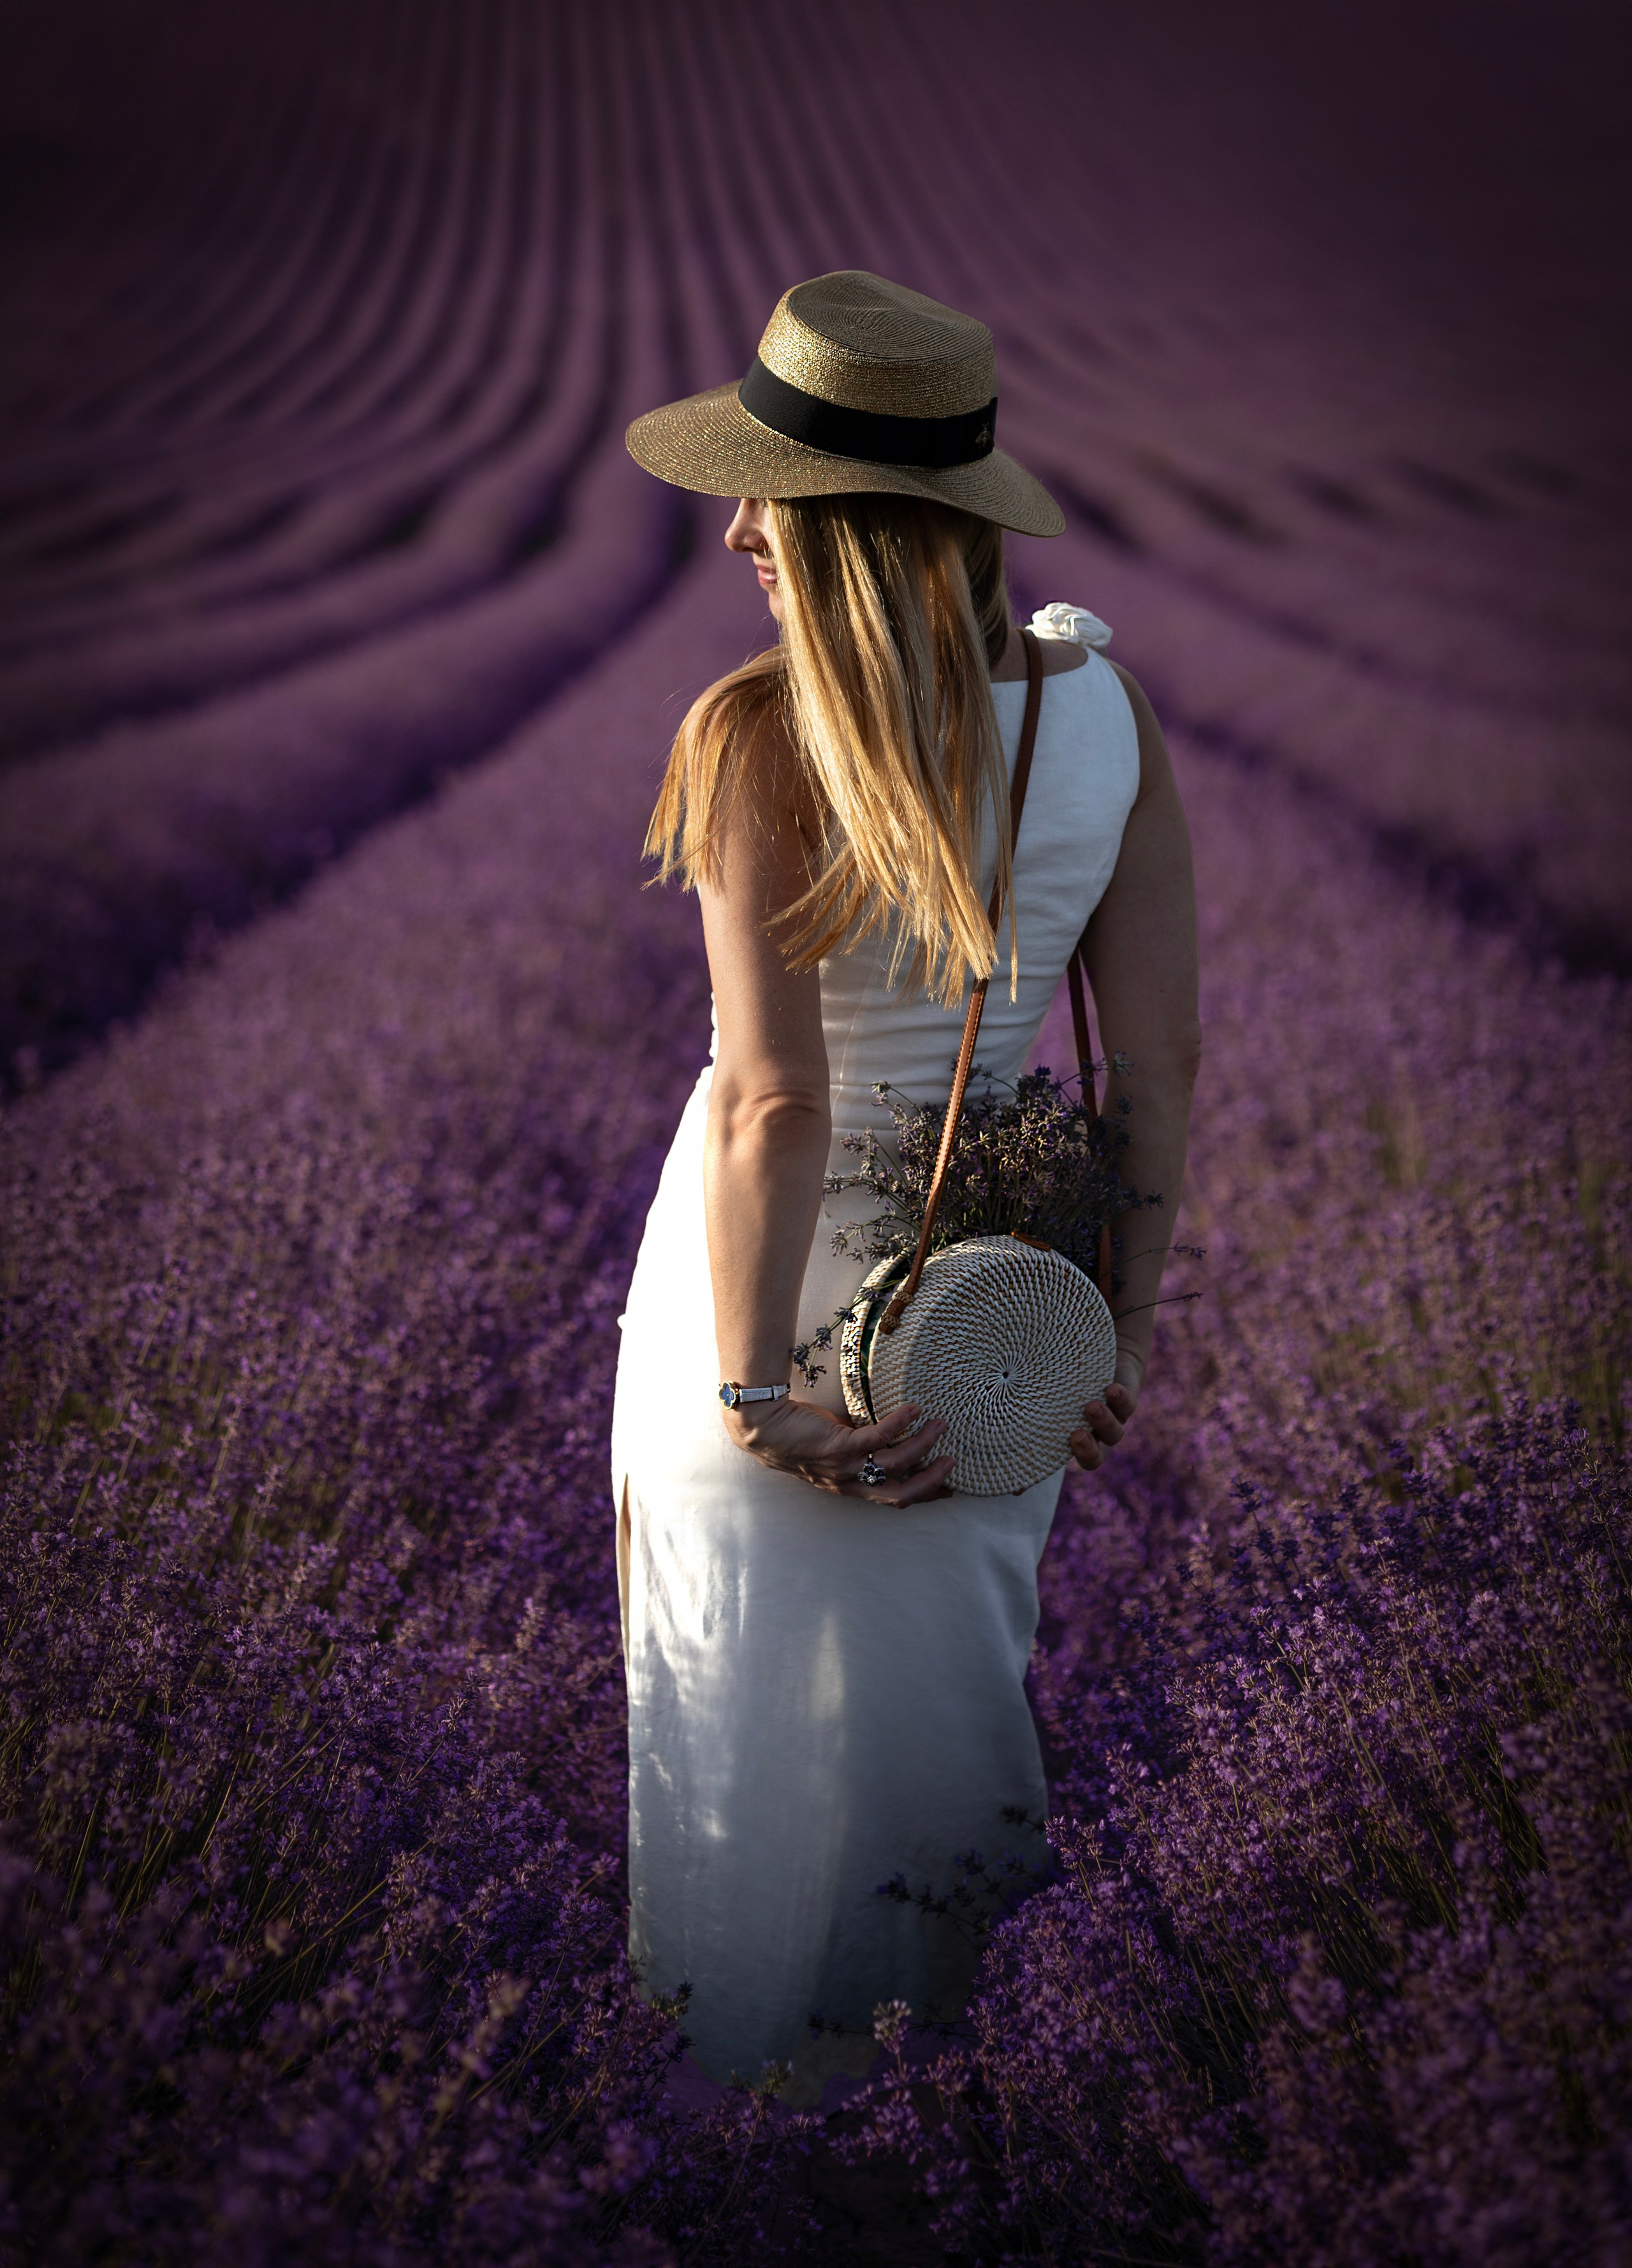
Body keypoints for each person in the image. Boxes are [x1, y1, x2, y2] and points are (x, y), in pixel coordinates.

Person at [613, 272, 1199, 2104]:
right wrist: (1104, 1347)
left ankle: (733, 2156)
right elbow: (1158, 1078)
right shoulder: (1105, 720)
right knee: (950, 1734)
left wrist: (746, 1387)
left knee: (738, 1757)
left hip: (761, 1307)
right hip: (980, 1321)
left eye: (765, 501)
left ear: (838, 527)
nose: (733, 537)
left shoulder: (756, 735)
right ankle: (962, 2147)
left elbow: (775, 1097)